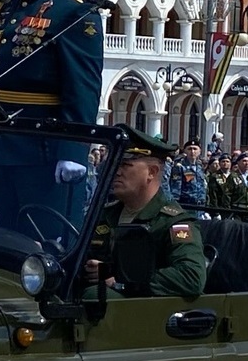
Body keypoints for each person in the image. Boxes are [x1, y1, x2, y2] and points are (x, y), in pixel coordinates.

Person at [83, 126, 206, 298]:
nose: (116, 172)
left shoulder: (173, 222)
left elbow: (191, 277)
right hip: (105, 309)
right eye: (115, 164)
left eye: (125, 165)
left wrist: (120, 279)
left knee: (93, 296)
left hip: (141, 309)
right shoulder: (106, 214)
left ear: (152, 172)